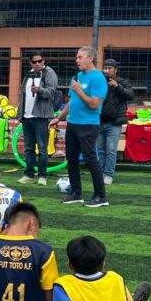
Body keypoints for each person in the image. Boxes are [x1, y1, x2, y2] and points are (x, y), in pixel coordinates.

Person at [49, 46, 108, 208]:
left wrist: (79, 90)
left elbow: (94, 104)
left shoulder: (98, 78)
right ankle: (76, 193)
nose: (77, 60)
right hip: (72, 124)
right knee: (71, 159)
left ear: (90, 58)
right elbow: (71, 101)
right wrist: (59, 117)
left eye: (80, 57)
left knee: (90, 160)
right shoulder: (76, 77)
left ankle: (101, 196)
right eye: (77, 57)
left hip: (88, 125)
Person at [17, 51, 58, 186]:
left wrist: (39, 90)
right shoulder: (28, 74)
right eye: (34, 62)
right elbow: (22, 95)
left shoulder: (49, 73)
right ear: (30, 63)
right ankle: (29, 174)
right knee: (28, 148)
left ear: (43, 60)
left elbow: (51, 92)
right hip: (27, 116)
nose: (38, 63)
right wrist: (20, 114)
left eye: (40, 61)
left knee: (42, 148)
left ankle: (42, 176)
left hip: (41, 116)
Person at [98, 59, 134, 185]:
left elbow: (131, 95)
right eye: (105, 68)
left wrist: (117, 86)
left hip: (114, 123)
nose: (107, 70)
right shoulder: (100, 81)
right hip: (99, 121)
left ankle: (108, 174)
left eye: (110, 68)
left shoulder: (123, 82)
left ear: (116, 70)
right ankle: (100, 174)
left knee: (111, 150)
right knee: (100, 150)